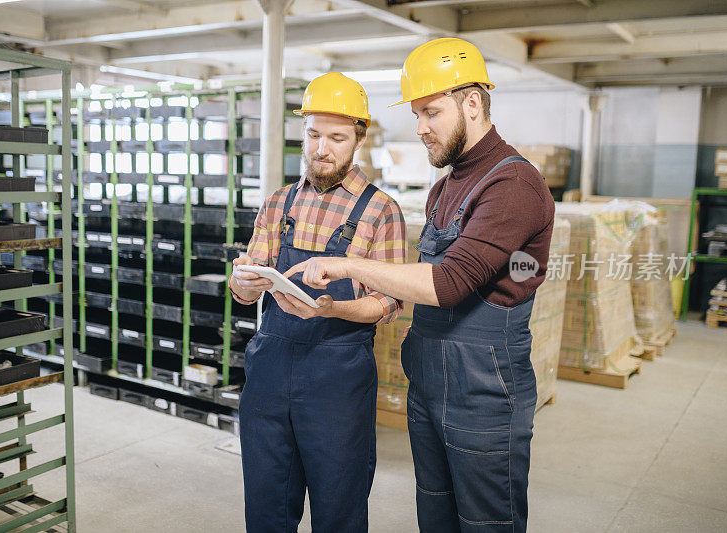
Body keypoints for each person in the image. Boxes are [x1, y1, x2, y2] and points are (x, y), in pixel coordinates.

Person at [285, 38, 555, 532]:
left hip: (484, 389)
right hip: (430, 380)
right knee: (435, 513)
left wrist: (348, 265)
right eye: (417, 114)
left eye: (431, 112)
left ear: (472, 103)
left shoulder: (512, 185)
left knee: (486, 521)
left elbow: (448, 283)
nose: (421, 128)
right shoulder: (447, 184)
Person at [229, 72, 407, 533]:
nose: (321, 148)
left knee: (339, 509)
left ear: (359, 140)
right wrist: (243, 283)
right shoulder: (277, 203)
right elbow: (250, 283)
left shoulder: (380, 211)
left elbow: (385, 304)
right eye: (312, 134)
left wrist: (331, 309)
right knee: (266, 505)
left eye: (336, 137)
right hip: (269, 369)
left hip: (337, 380)